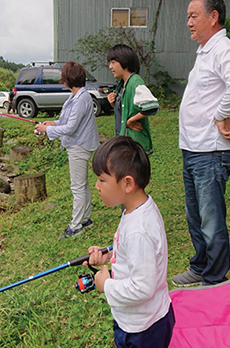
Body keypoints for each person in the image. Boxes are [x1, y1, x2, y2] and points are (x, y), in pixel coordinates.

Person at [172, 0, 230, 287]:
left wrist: (221, 114)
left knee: (211, 219)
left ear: (213, 17)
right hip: (193, 148)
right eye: (188, 17)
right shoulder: (206, 50)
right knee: (195, 216)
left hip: (210, 151)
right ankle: (201, 265)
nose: (189, 23)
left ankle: (215, 278)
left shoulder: (223, 48)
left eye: (194, 16)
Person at [84, 136, 174, 348]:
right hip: (145, 319)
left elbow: (143, 288)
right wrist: (111, 252)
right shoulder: (140, 209)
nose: (96, 186)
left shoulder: (138, 231)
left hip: (143, 328)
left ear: (127, 183)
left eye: (102, 180)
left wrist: (105, 284)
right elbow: (139, 252)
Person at [34, 61, 100, 240]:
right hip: (79, 145)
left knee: (77, 187)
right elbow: (66, 121)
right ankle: (85, 220)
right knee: (82, 185)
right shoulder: (76, 97)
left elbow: (71, 127)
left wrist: (47, 130)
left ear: (67, 80)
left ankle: (76, 226)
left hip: (79, 146)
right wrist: (51, 124)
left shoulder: (81, 98)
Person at [106, 44, 159, 154]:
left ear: (124, 61)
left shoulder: (135, 82)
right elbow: (127, 108)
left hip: (134, 146)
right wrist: (114, 103)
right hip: (124, 143)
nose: (110, 67)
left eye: (113, 62)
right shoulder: (122, 83)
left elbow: (152, 106)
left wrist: (130, 121)